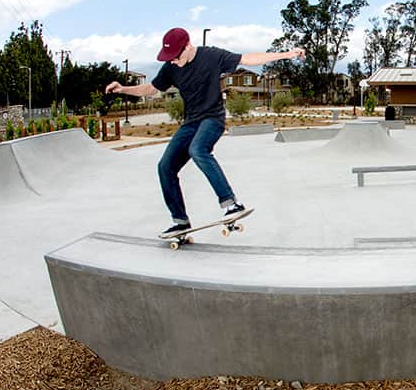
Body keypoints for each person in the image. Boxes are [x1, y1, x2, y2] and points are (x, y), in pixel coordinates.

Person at [104, 27, 304, 235]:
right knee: (165, 167)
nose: (172, 62)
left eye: (175, 57)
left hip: (212, 119)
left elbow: (248, 58)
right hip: (190, 122)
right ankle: (180, 221)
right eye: (169, 58)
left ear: (188, 47)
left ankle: (231, 204)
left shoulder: (212, 56)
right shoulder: (171, 67)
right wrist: (124, 89)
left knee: (198, 149)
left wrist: (287, 54)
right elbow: (152, 89)